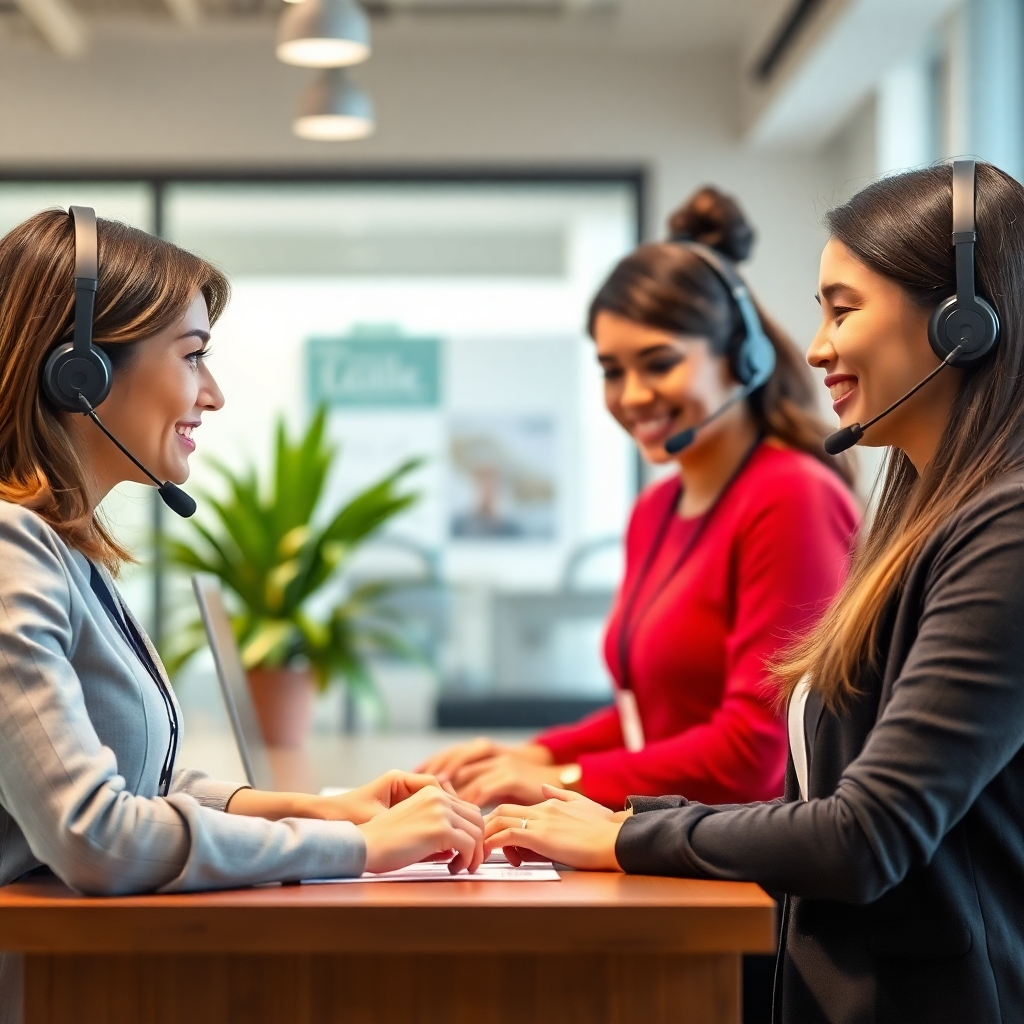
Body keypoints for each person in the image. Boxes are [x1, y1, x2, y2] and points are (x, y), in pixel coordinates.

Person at [483, 161, 1024, 1023]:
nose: (814, 348)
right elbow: (818, 794)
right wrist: (582, 797)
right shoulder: (918, 516)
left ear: (963, 323)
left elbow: (864, 832)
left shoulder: (1004, 530)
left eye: (842, 310)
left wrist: (623, 828)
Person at [0, 211, 484, 1019]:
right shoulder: (11, 547)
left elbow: (136, 780)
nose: (213, 395)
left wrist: (318, 808)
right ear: (80, 372)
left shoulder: (60, 550)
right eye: (192, 356)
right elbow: (92, 833)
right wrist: (357, 847)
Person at [421, 187, 859, 812]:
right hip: (674, 838)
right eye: (612, 371)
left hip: (748, 850)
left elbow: (755, 753)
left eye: (658, 364)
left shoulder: (791, 497)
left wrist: (563, 779)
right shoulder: (656, 512)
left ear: (741, 359)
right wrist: (534, 754)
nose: (631, 395)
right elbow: (649, 720)